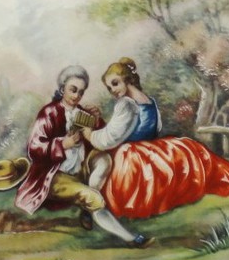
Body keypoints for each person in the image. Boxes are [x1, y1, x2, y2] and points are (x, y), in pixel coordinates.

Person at [82, 58, 229, 219]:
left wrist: (89, 134)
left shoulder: (126, 103)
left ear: (127, 79)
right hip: (149, 147)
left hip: (132, 153)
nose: (113, 90)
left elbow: (110, 138)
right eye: (109, 87)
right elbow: (155, 129)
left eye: (115, 83)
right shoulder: (149, 101)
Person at [14, 65, 151, 246]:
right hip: (55, 176)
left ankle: (88, 208)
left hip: (80, 170)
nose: (76, 95)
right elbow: (34, 148)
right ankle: (131, 239)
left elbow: (98, 139)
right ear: (62, 88)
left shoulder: (82, 113)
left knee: (104, 159)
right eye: (73, 90)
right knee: (95, 199)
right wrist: (63, 144)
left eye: (81, 92)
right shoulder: (49, 112)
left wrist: (97, 120)